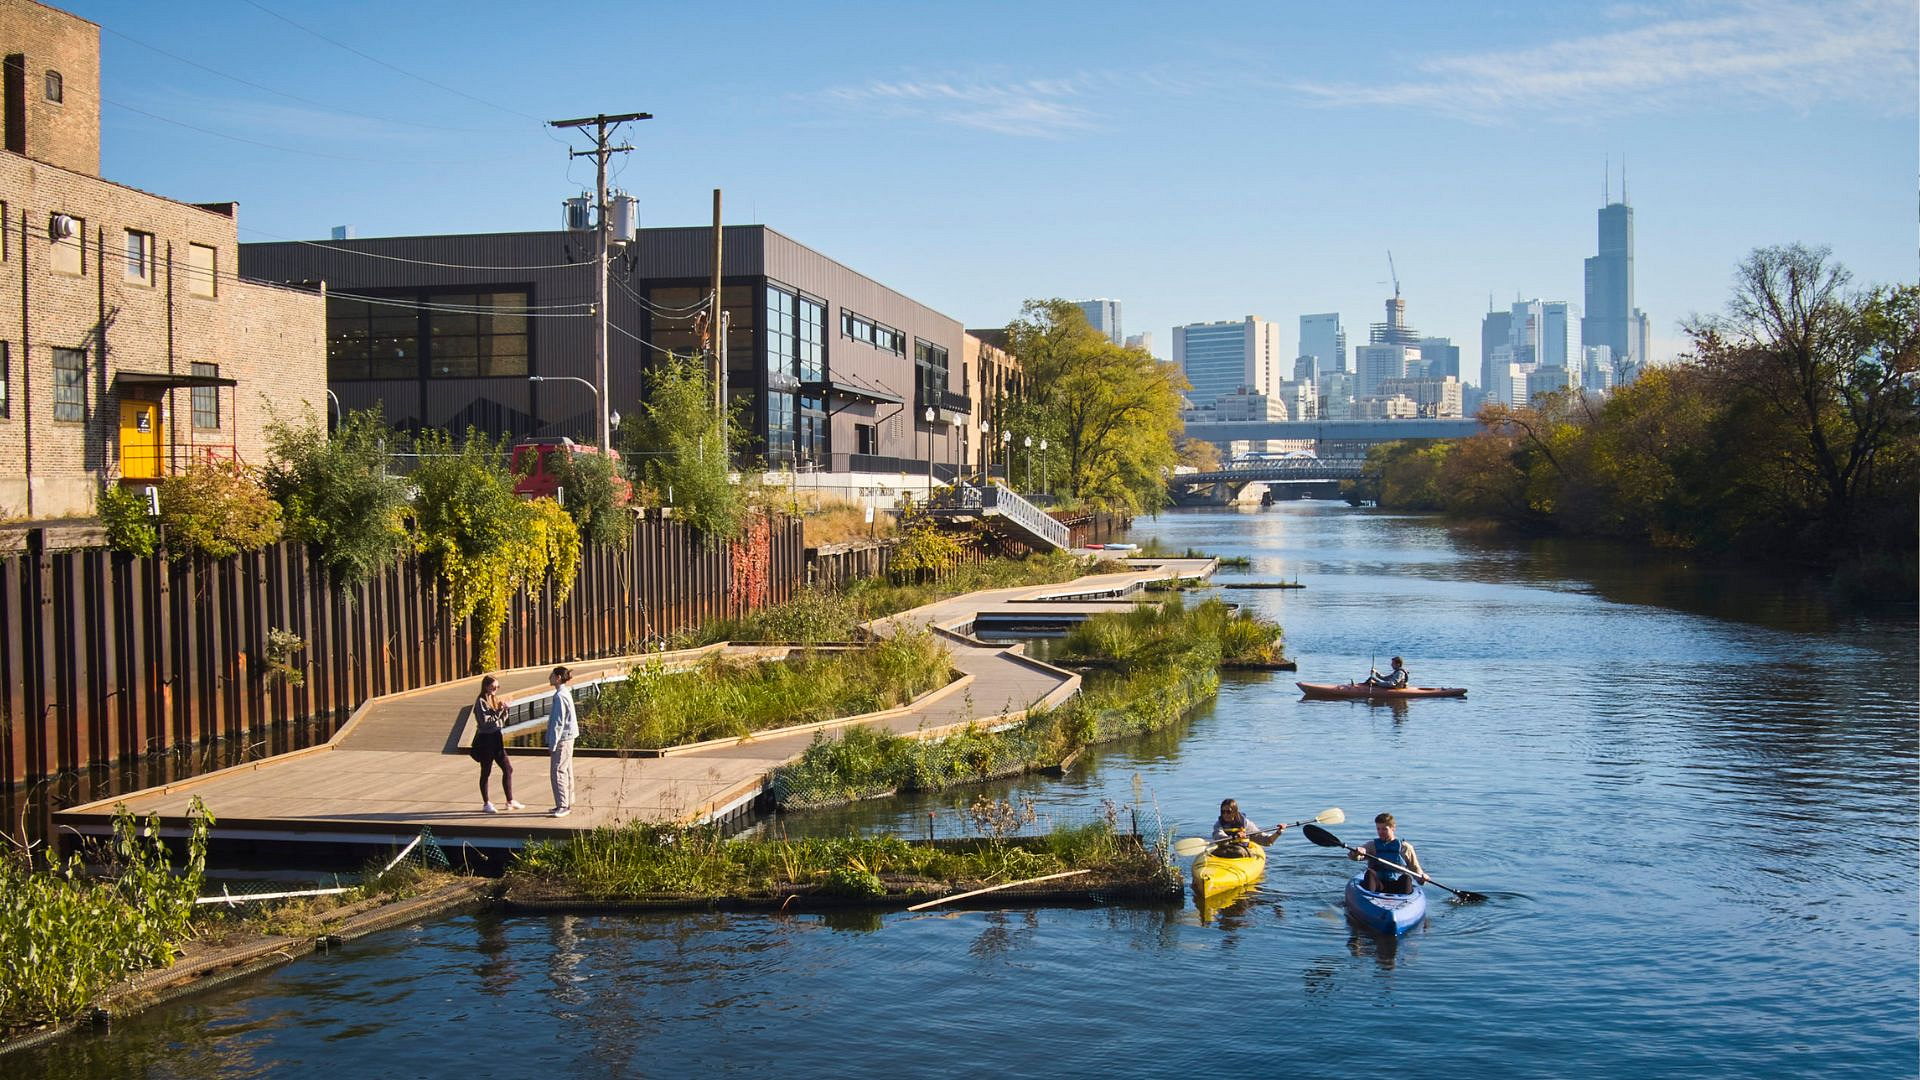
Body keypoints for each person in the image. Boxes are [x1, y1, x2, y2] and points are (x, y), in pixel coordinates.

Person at [469, 675, 524, 814]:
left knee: (508, 768)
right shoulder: (480, 702)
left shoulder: (494, 699)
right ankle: (486, 803)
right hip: (486, 739)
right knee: (486, 771)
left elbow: (499, 721)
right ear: (486, 686)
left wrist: (505, 710)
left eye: (497, 687)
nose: (495, 689)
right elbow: (485, 722)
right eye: (493, 687)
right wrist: (499, 711)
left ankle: (510, 800)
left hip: (496, 737)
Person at [1349, 812, 1427, 894]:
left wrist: (1422, 878)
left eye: (1384, 829)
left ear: (1393, 828)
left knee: (1406, 878)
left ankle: (1404, 902)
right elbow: (1353, 857)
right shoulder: (1372, 845)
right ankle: (1369, 899)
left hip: (1397, 885)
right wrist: (1357, 852)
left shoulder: (1406, 848)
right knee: (1370, 873)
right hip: (1377, 884)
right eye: (1378, 829)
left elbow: (1416, 870)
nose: (1380, 832)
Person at [546, 665, 579, 818]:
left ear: (558, 677)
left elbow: (558, 722)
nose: (550, 678)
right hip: (569, 736)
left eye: (552, 675)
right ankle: (566, 802)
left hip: (563, 739)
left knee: (558, 771)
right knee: (566, 769)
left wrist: (552, 742)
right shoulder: (565, 693)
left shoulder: (560, 696)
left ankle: (563, 805)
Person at [1210, 798, 1285, 858]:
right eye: (1223, 812)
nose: (1225, 814)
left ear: (1235, 812)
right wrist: (1233, 836)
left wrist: (1278, 832)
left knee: (1239, 852)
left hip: (1241, 851)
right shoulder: (1218, 824)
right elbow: (1218, 836)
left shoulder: (1246, 824)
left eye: (1228, 812)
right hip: (1225, 849)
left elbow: (1266, 841)